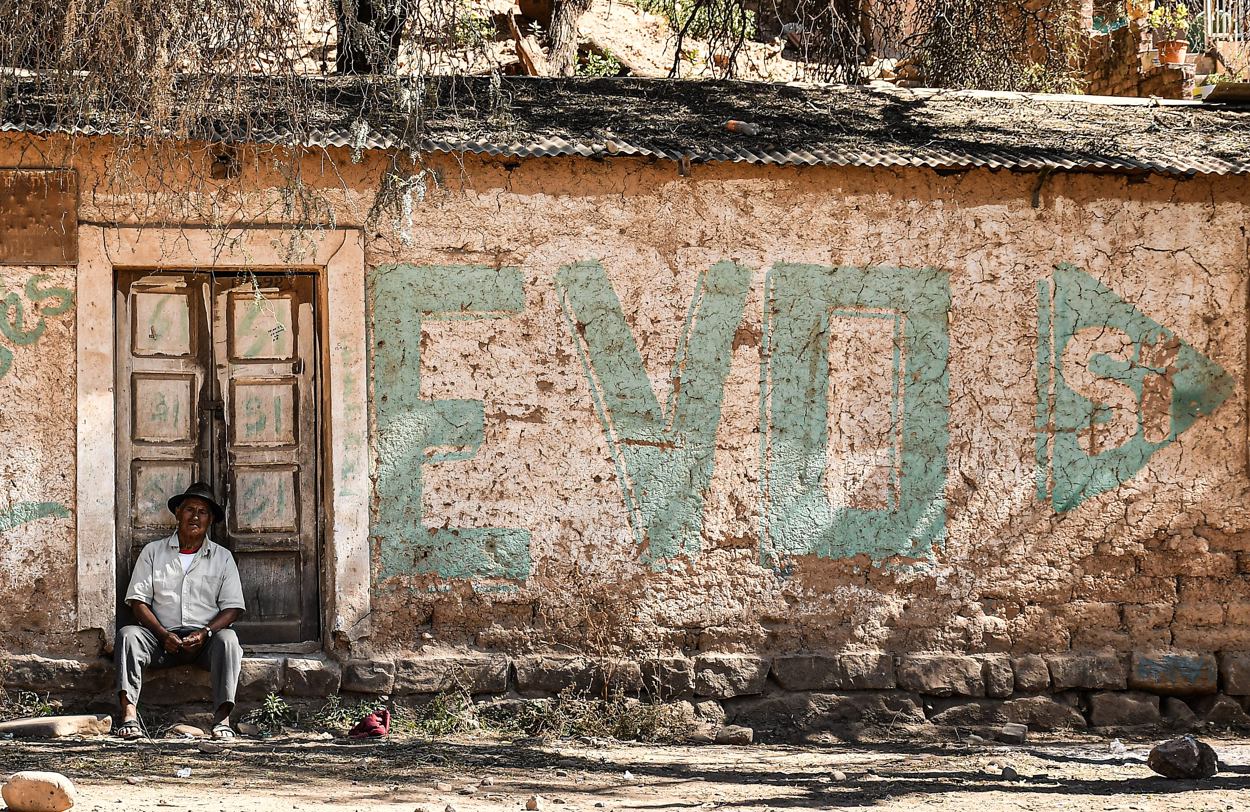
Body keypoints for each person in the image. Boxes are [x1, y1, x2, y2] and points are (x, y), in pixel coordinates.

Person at [115, 482, 246, 740]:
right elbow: (138, 601)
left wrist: (206, 632)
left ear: (210, 520)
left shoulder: (222, 557)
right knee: (128, 635)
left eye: (203, 512)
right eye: (189, 510)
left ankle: (222, 721)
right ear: (177, 514)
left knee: (229, 640)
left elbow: (233, 608)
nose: (195, 516)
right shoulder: (153, 552)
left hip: (204, 642)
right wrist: (163, 634)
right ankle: (129, 716)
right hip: (161, 640)